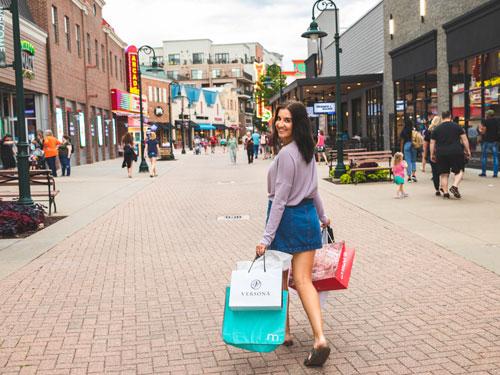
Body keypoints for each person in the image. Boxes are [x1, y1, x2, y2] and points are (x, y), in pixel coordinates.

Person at [255, 101, 331, 367]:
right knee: (303, 280)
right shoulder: (306, 149)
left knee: (285, 278)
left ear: (297, 123)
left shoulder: (287, 154)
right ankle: (316, 336)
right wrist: (322, 216)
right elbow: (315, 190)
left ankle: (287, 332)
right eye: (279, 119)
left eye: (287, 120)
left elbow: (280, 199)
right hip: (308, 215)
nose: (280, 124)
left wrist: (266, 238)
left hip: (288, 218)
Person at [430, 111, 471, 199]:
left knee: (444, 173)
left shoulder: (436, 129)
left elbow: (432, 143)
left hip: (441, 153)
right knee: (459, 170)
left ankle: (445, 193)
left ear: (442, 117)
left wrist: (432, 154)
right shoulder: (457, 126)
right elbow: (464, 140)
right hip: (456, 151)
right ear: (450, 116)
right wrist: (468, 150)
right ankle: (455, 186)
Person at [423, 116, 442, 196]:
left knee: (435, 172)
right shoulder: (441, 130)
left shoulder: (428, 131)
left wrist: (424, 154)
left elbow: (425, 144)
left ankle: (437, 188)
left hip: (432, 153)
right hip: (441, 152)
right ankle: (443, 186)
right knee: (443, 170)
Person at [478, 110, 498, 177]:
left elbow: (483, 131)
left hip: (486, 141)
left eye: (486, 114)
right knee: (495, 157)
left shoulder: (486, 121)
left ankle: (484, 172)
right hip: (495, 141)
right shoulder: (497, 121)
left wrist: (479, 129)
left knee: (484, 157)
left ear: (488, 115)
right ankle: (495, 174)